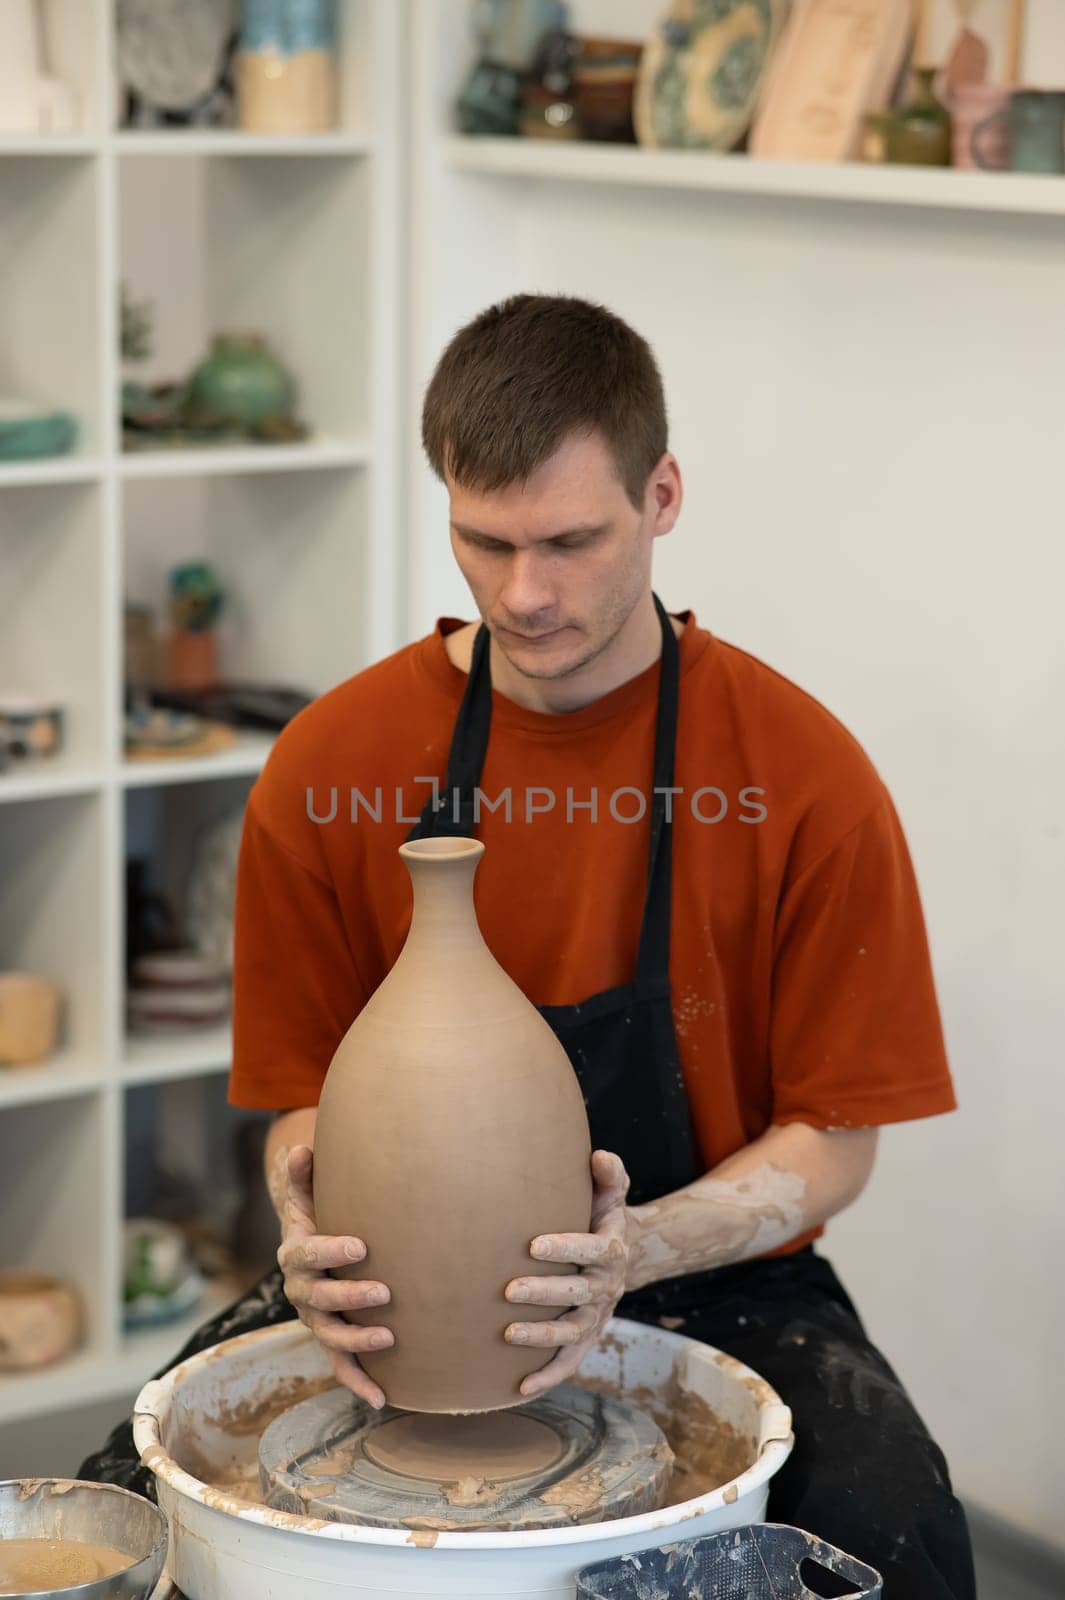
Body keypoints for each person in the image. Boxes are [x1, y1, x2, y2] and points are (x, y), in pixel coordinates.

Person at [82, 295, 975, 1598]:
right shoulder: (331, 765)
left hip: (711, 1280)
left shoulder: (800, 775)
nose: (525, 593)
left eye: (569, 540)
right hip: (390, 1308)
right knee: (115, 1516)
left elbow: (836, 1138)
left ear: (661, 494)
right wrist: (303, 1211)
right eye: (482, 541)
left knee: (893, 1544)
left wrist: (635, 1251)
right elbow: (298, 1102)